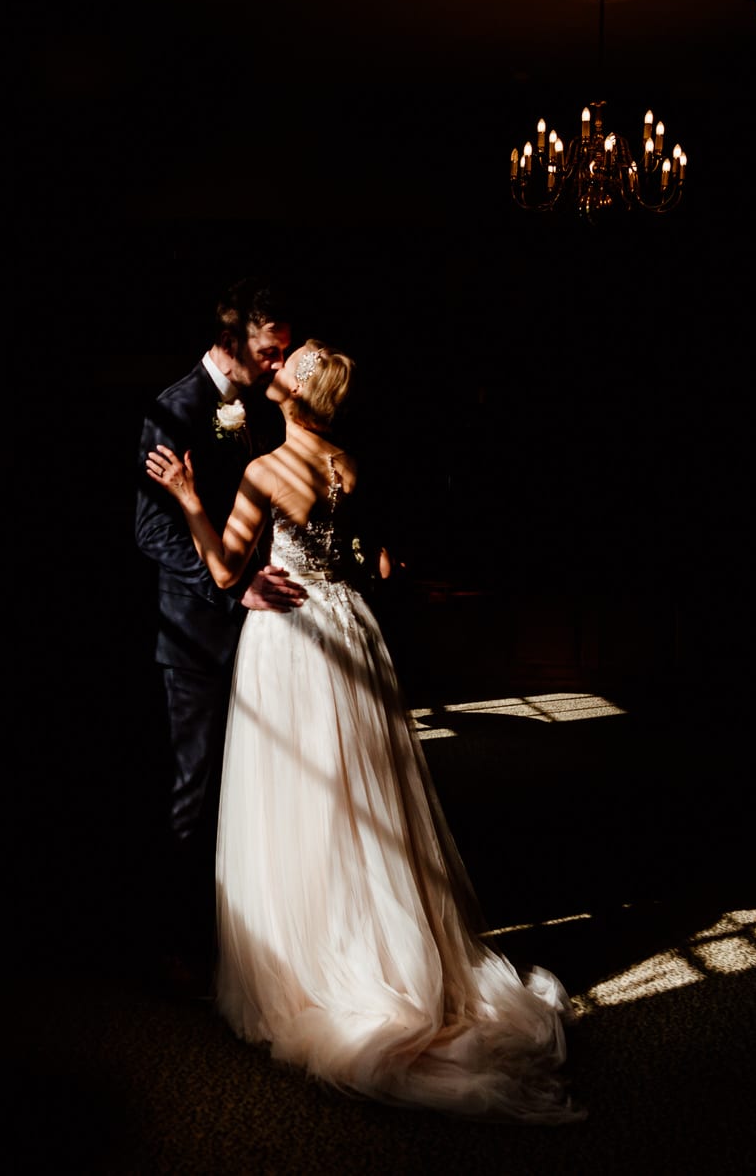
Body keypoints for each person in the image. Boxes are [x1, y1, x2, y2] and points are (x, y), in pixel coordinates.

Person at [145, 340, 583, 1124]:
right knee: (363, 797)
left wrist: (186, 495)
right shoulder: (348, 464)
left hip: (292, 641)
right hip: (351, 628)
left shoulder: (264, 472)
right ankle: (390, 944)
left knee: (304, 802)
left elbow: (219, 571)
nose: (277, 366)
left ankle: (323, 964)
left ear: (301, 394)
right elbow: (375, 564)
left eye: (294, 362)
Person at [134, 279, 306, 997]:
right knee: (192, 793)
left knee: (254, 790)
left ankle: (247, 939)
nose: (279, 365)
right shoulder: (174, 408)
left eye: (286, 354)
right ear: (234, 344)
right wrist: (236, 589)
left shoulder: (254, 412)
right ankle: (176, 946)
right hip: (198, 640)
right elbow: (150, 533)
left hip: (257, 636)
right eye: (272, 352)